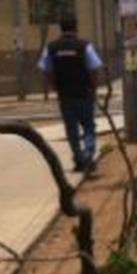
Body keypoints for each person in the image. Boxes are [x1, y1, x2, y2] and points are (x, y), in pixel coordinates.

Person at [38, 17, 104, 172]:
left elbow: (46, 70)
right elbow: (94, 69)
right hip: (84, 93)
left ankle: (79, 158)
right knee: (88, 125)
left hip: (65, 95)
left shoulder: (51, 47)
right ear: (76, 27)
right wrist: (94, 89)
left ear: (61, 28)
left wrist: (53, 87)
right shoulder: (85, 46)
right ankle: (88, 154)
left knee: (71, 129)